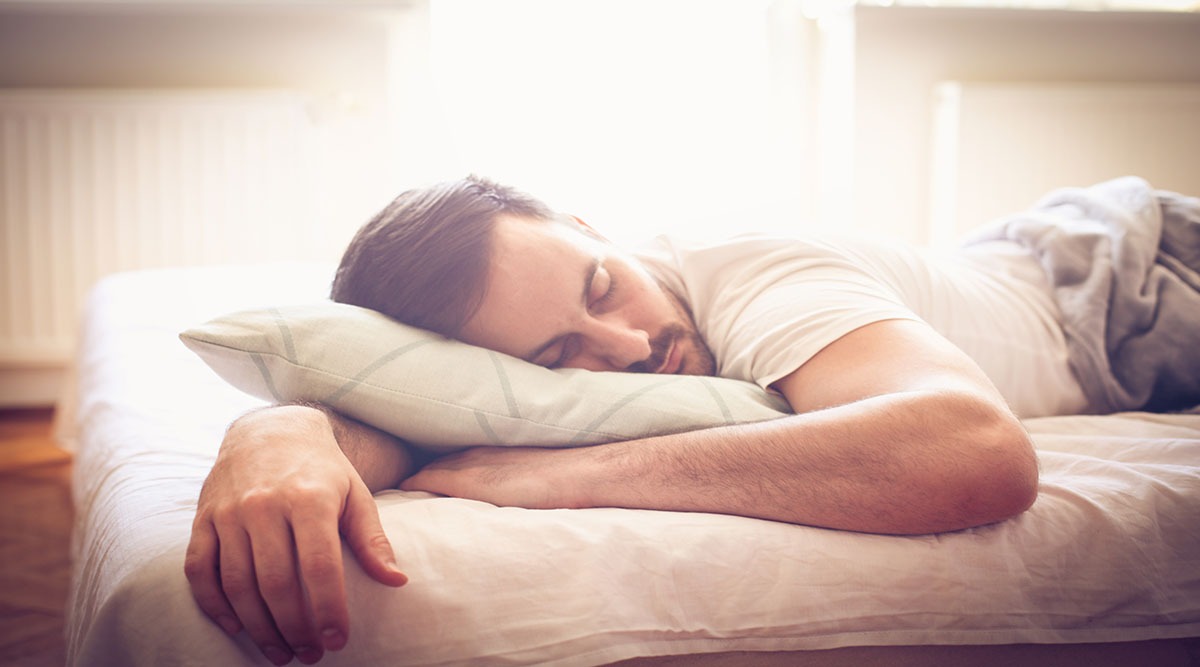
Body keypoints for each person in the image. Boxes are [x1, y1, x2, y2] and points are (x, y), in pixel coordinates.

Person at [184, 175, 1200, 666]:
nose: (624, 346)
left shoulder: (744, 270)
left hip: (1134, 283)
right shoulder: (556, 356)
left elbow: (975, 453)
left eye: (600, 283)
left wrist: (564, 476)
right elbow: (435, 420)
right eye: (556, 360)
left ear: (590, 225)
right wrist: (281, 432)